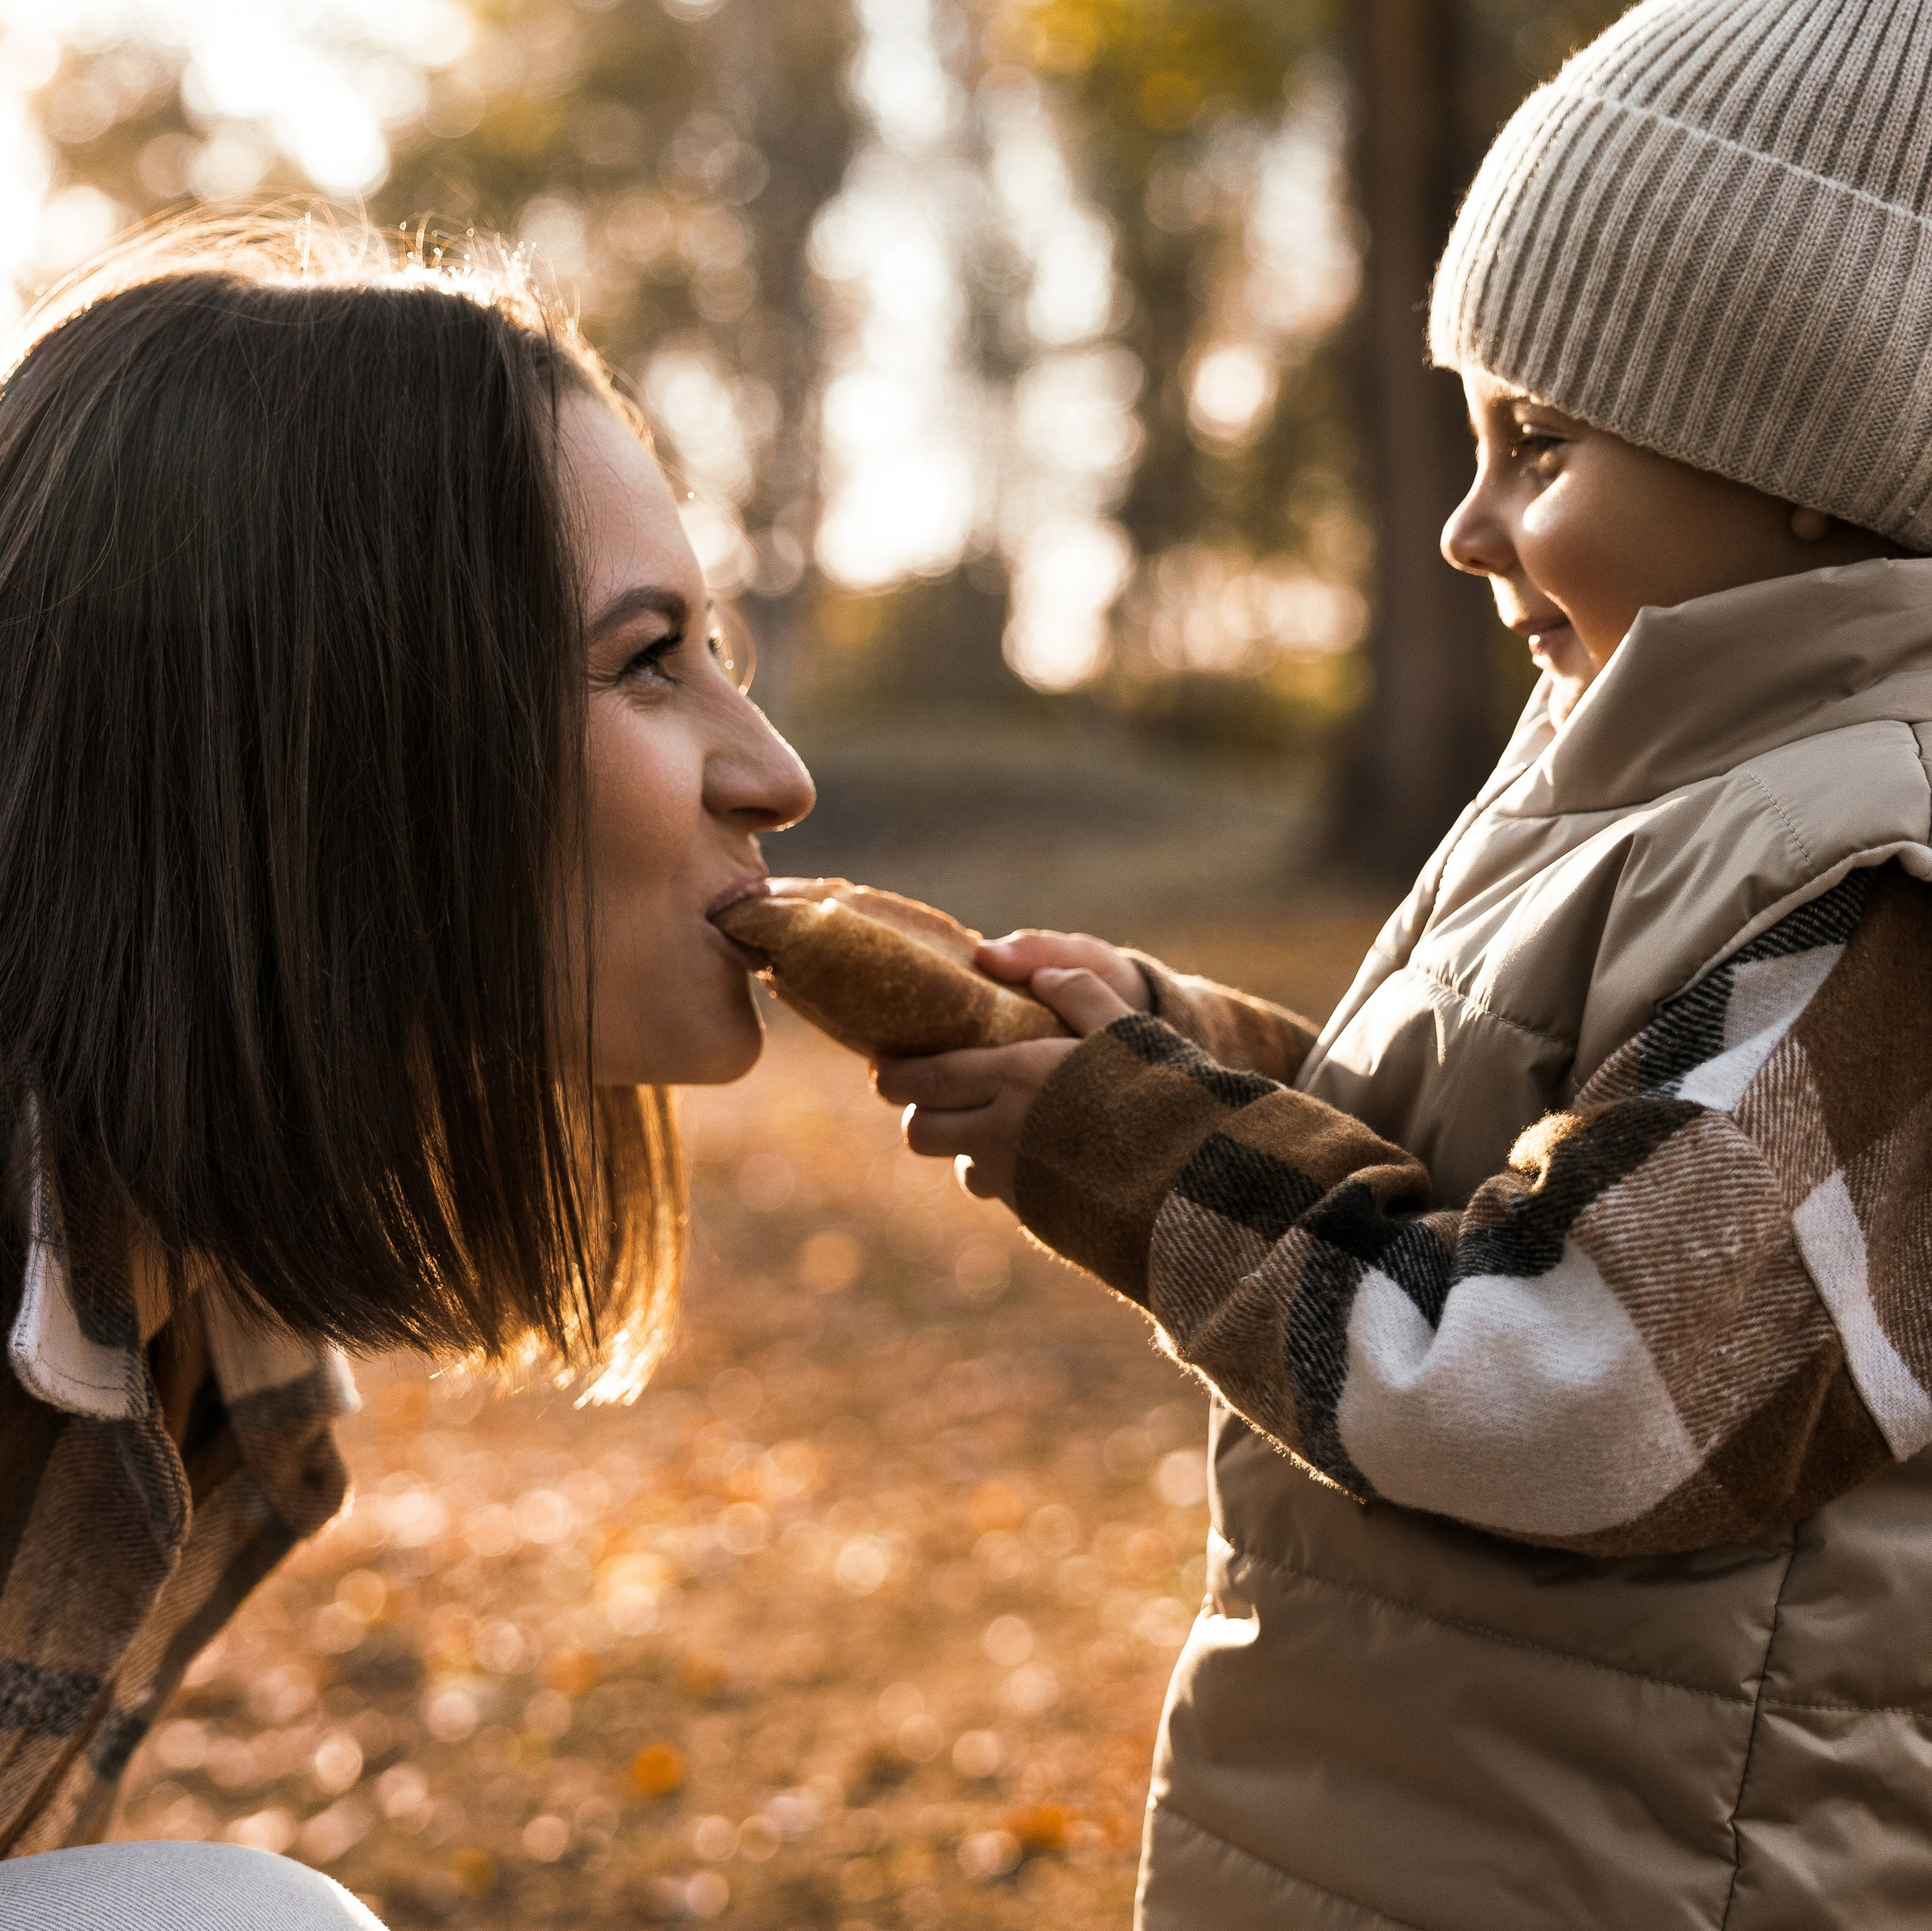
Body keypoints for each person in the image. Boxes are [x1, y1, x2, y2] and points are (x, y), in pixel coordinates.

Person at [877, 1, 1932, 1923]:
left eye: (1535, 441)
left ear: (1811, 443)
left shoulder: (1877, 872)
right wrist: (1175, 1049)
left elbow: (1571, 1374)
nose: (1463, 527)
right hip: (1450, 1817)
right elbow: (1519, 1154)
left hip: (1647, 1861)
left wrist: (1138, 1150)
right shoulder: (1652, 786)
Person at [0, 220, 812, 1924]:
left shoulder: (194, 1283)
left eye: (716, 649)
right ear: (340, 738)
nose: (775, 772)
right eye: (646, 660)